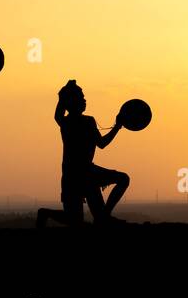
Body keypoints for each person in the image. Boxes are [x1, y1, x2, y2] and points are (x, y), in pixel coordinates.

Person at [37, 80, 130, 227]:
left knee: (76, 220)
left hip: (78, 174)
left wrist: (64, 94)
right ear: (72, 102)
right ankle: (104, 216)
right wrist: (117, 127)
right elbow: (102, 144)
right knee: (77, 220)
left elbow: (101, 144)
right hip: (81, 174)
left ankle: (103, 216)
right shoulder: (77, 122)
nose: (84, 100)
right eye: (81, 97)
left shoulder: (73, 121)